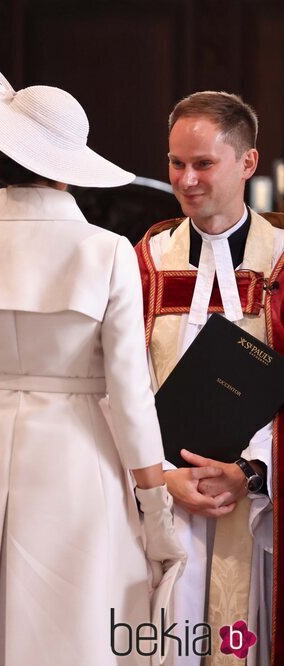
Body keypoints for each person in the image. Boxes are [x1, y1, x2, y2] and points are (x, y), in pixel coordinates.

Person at [0, 65, 186, 665]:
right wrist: (156, 512)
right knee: (78, 635)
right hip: (78, 466)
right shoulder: (106, 254)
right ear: (66, 167)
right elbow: (131, 399)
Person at [135, 91, 277, 665]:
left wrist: (249, 471)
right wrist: (162, 477)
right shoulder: (145, 261)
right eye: (176, 163)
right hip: (162, 500)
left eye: (203, 163)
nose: (186, 180)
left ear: (247, 163)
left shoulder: (281, 264)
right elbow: (119, 385)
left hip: (253, 507)